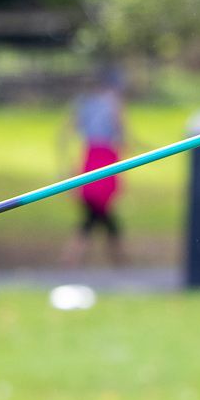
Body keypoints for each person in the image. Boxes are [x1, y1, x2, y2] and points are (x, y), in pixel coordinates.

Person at [61, 65, 127, 266]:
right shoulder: (112, 102)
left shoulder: (85, 103)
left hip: (92, 156)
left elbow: (66, 134)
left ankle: (116, 257)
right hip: (105, 158)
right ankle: (115, 258)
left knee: (98, 213)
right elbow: (122, 133)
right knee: (97, 213)